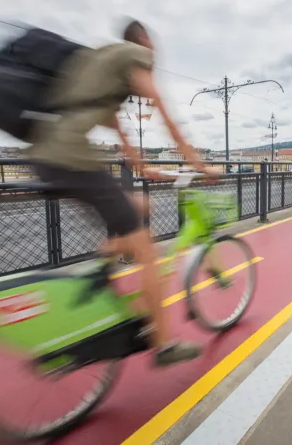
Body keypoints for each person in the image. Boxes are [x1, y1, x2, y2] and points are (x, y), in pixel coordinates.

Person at [28, 19, 217, 367]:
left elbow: (120, 133)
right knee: (147, 248)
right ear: (143, 40)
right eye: (154, 45)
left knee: (138, 205)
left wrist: (145, 168)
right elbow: (163, 110)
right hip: (68, 155)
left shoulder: (106, 64)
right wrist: (196, 161)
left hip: (46, 155)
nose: (155, 53)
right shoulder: (135, 55)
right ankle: (163, 345)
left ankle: (98, 279)